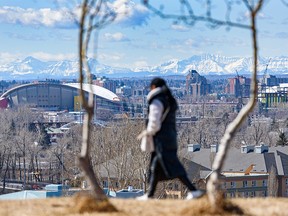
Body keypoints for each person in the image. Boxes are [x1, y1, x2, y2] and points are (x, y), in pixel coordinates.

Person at [137, 77, 204, 200]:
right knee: (155, 167)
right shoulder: (169, 100)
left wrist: (147, 132)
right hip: (170, 137)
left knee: (174, 166)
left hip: (161, 139)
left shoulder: (157, 101)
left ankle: (194, 191)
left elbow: (154, 122)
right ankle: (150, 195)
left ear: (153, 87)